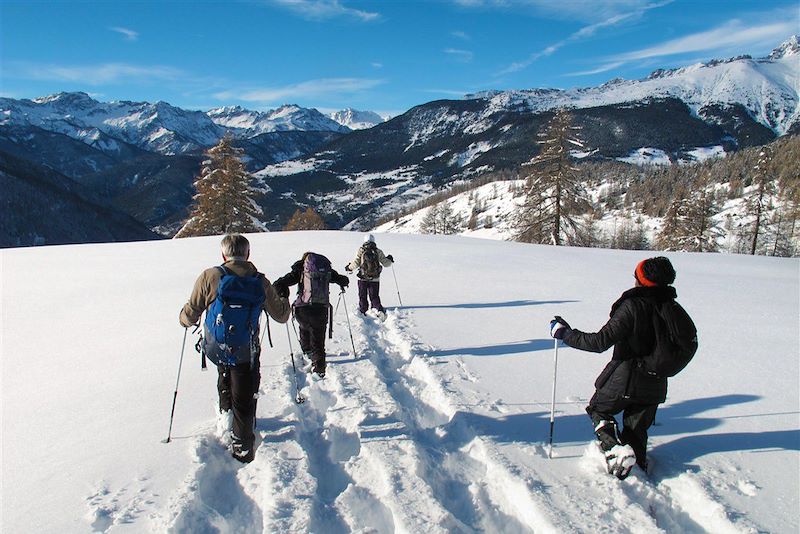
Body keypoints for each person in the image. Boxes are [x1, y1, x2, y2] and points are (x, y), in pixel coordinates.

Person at [549, 256, 678, 478]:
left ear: (642, 279)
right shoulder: (672, 308)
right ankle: (636, 469)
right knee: (636, 430)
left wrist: (564, 334)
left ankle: (615, 450)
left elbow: (599, 342)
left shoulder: (633, 306)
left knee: (600, 409)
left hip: (626, 377)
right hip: (656, 381)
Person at [179, 234, 290, 463]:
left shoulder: (210, 276)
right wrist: (285, 301)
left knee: (224, 375)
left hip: (217, 345)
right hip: (246, 349)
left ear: (224, 254)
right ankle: (242, 446)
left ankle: (225, 416)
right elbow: (280, 316)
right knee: (245, 393)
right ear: (247, 254)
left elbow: (192, 312)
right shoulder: (259, 281)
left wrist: (183, 319)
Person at [273, 252, 349, 379]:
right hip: (320, 309)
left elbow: (279, 283)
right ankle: (319, 369)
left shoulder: (300, 269)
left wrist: (283, 295)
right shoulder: (325, 270)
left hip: (302, 309)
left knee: (304, 328)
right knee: (318, 340)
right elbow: (342, 279)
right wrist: (343, 282)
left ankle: (307, 352)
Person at [345, 234, 394, 318]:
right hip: (375, 278)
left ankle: (363, 311)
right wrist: (390, 259)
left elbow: (356, 263)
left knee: (362, 296)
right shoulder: (378, 251)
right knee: (374, 296)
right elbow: (386, 264)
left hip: (362, 278)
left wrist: (349, 268)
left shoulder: (361, 250)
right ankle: (378, 309)